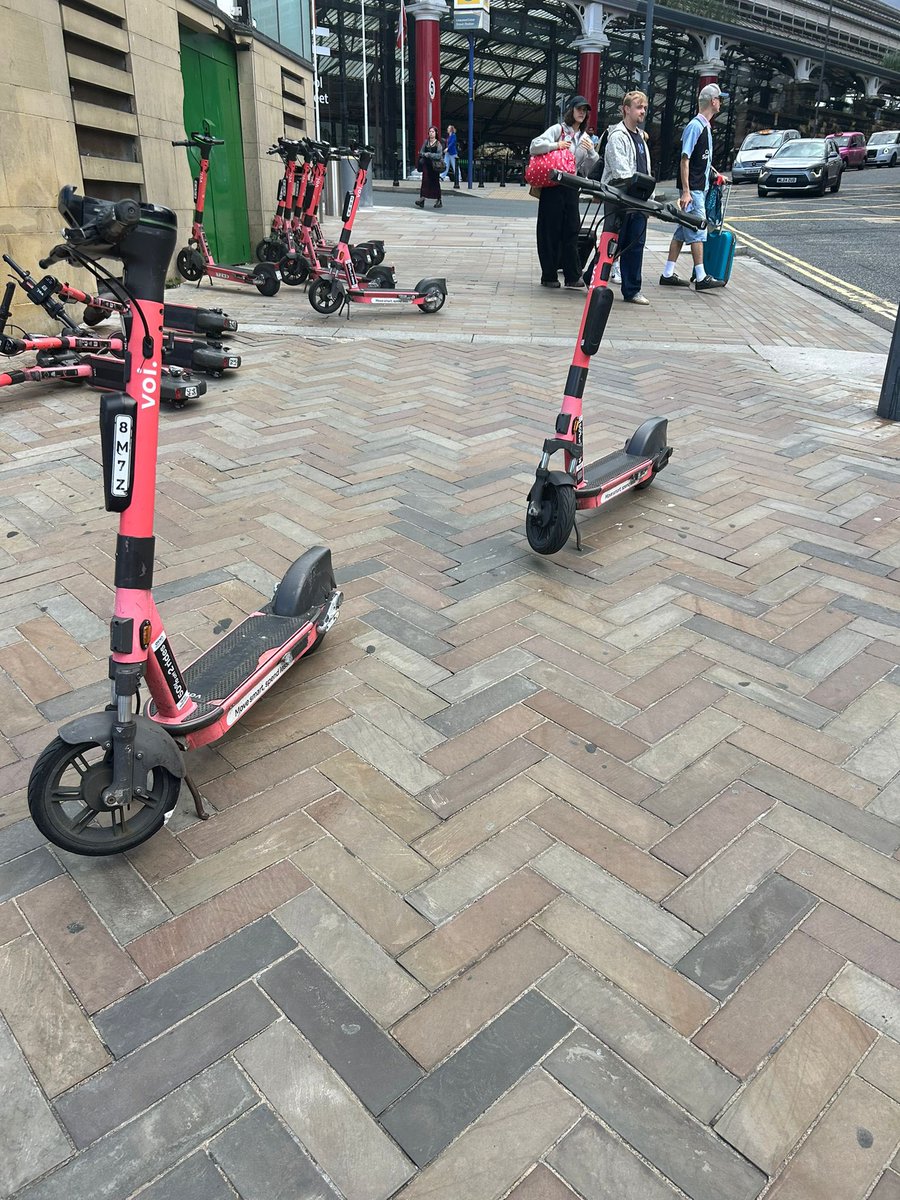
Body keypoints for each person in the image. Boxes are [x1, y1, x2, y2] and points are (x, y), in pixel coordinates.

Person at [659, 83, 728, 291]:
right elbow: (685, 159)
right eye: (720, 99)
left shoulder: (705, 126)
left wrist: (715, 174)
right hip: (694, 190)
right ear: (713, 101)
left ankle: (668, 273)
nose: (721, 103)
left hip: (700, 186)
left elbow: (701, 158)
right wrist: (687, 191)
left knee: (682, 232)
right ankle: (701, 276)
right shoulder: (695, 126)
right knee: (699, 228)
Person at [530, 96, 600, 289]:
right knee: (549, 231)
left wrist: (592, 153)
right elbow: (534, 146)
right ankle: (549, 275)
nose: (582, 113)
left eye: (585, 110)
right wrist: (556, 145)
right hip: (552, 187)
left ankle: (572, 275)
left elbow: (587, 168)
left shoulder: (585, 139)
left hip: (571, 188)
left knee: (571, 230)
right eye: (579, 109)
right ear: (571, 110)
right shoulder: (557, 130)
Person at [598, 90, 653, 304]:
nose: (643, 112)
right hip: (619, 199)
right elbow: (622, 173)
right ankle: (593, 277)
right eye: (639, 107)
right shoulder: (617, 137)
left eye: (645, 108)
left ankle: (632, 291)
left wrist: (649, 199)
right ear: (626, 109)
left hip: (639, 200)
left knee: (635, 245)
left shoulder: (640, 137)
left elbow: (645, 170)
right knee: (613, 242)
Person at [415, 127, 443, 209]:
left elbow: (439, 155)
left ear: (436, 133)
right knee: (425, 181)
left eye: (433, 132)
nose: (431, 133)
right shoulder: (426, 142)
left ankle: (438, 200)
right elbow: (421, 152)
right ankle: (422, 199)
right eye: (430, 132)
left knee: (435, 183)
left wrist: (430, 154)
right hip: (426, 165)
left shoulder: (438, 144)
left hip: (435, 166)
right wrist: (425, 154)